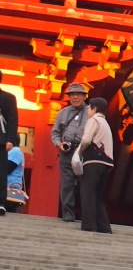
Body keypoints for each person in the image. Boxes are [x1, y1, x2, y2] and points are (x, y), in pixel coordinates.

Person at [75, 96, 113, 233]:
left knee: (87, 193)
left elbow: (86, 140)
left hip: (93, 161)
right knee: (98, 195)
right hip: (106, 162)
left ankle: (89, 225)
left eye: (89, 107)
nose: (87, 109)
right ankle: (104, 227)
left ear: (94, 108)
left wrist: (79, 153)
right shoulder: (105, 123)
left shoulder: (94, 120)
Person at [50, 82, 88, 222]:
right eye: (72, 94)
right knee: (67, 184)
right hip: (67, 152)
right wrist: (58, 143)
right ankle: (68, 214)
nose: (75, 97)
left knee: (85, 183)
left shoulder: (90, 112)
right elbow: (55, 132)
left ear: (84, 96)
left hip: (84, 152)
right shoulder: (63, 113)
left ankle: (86, 214)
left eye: (78, 94)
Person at [0, 71, 19, 217]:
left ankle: (1, 203)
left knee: (1, 172)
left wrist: (10, 139)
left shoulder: (7, 98)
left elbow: (12, 120)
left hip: (1, 139)